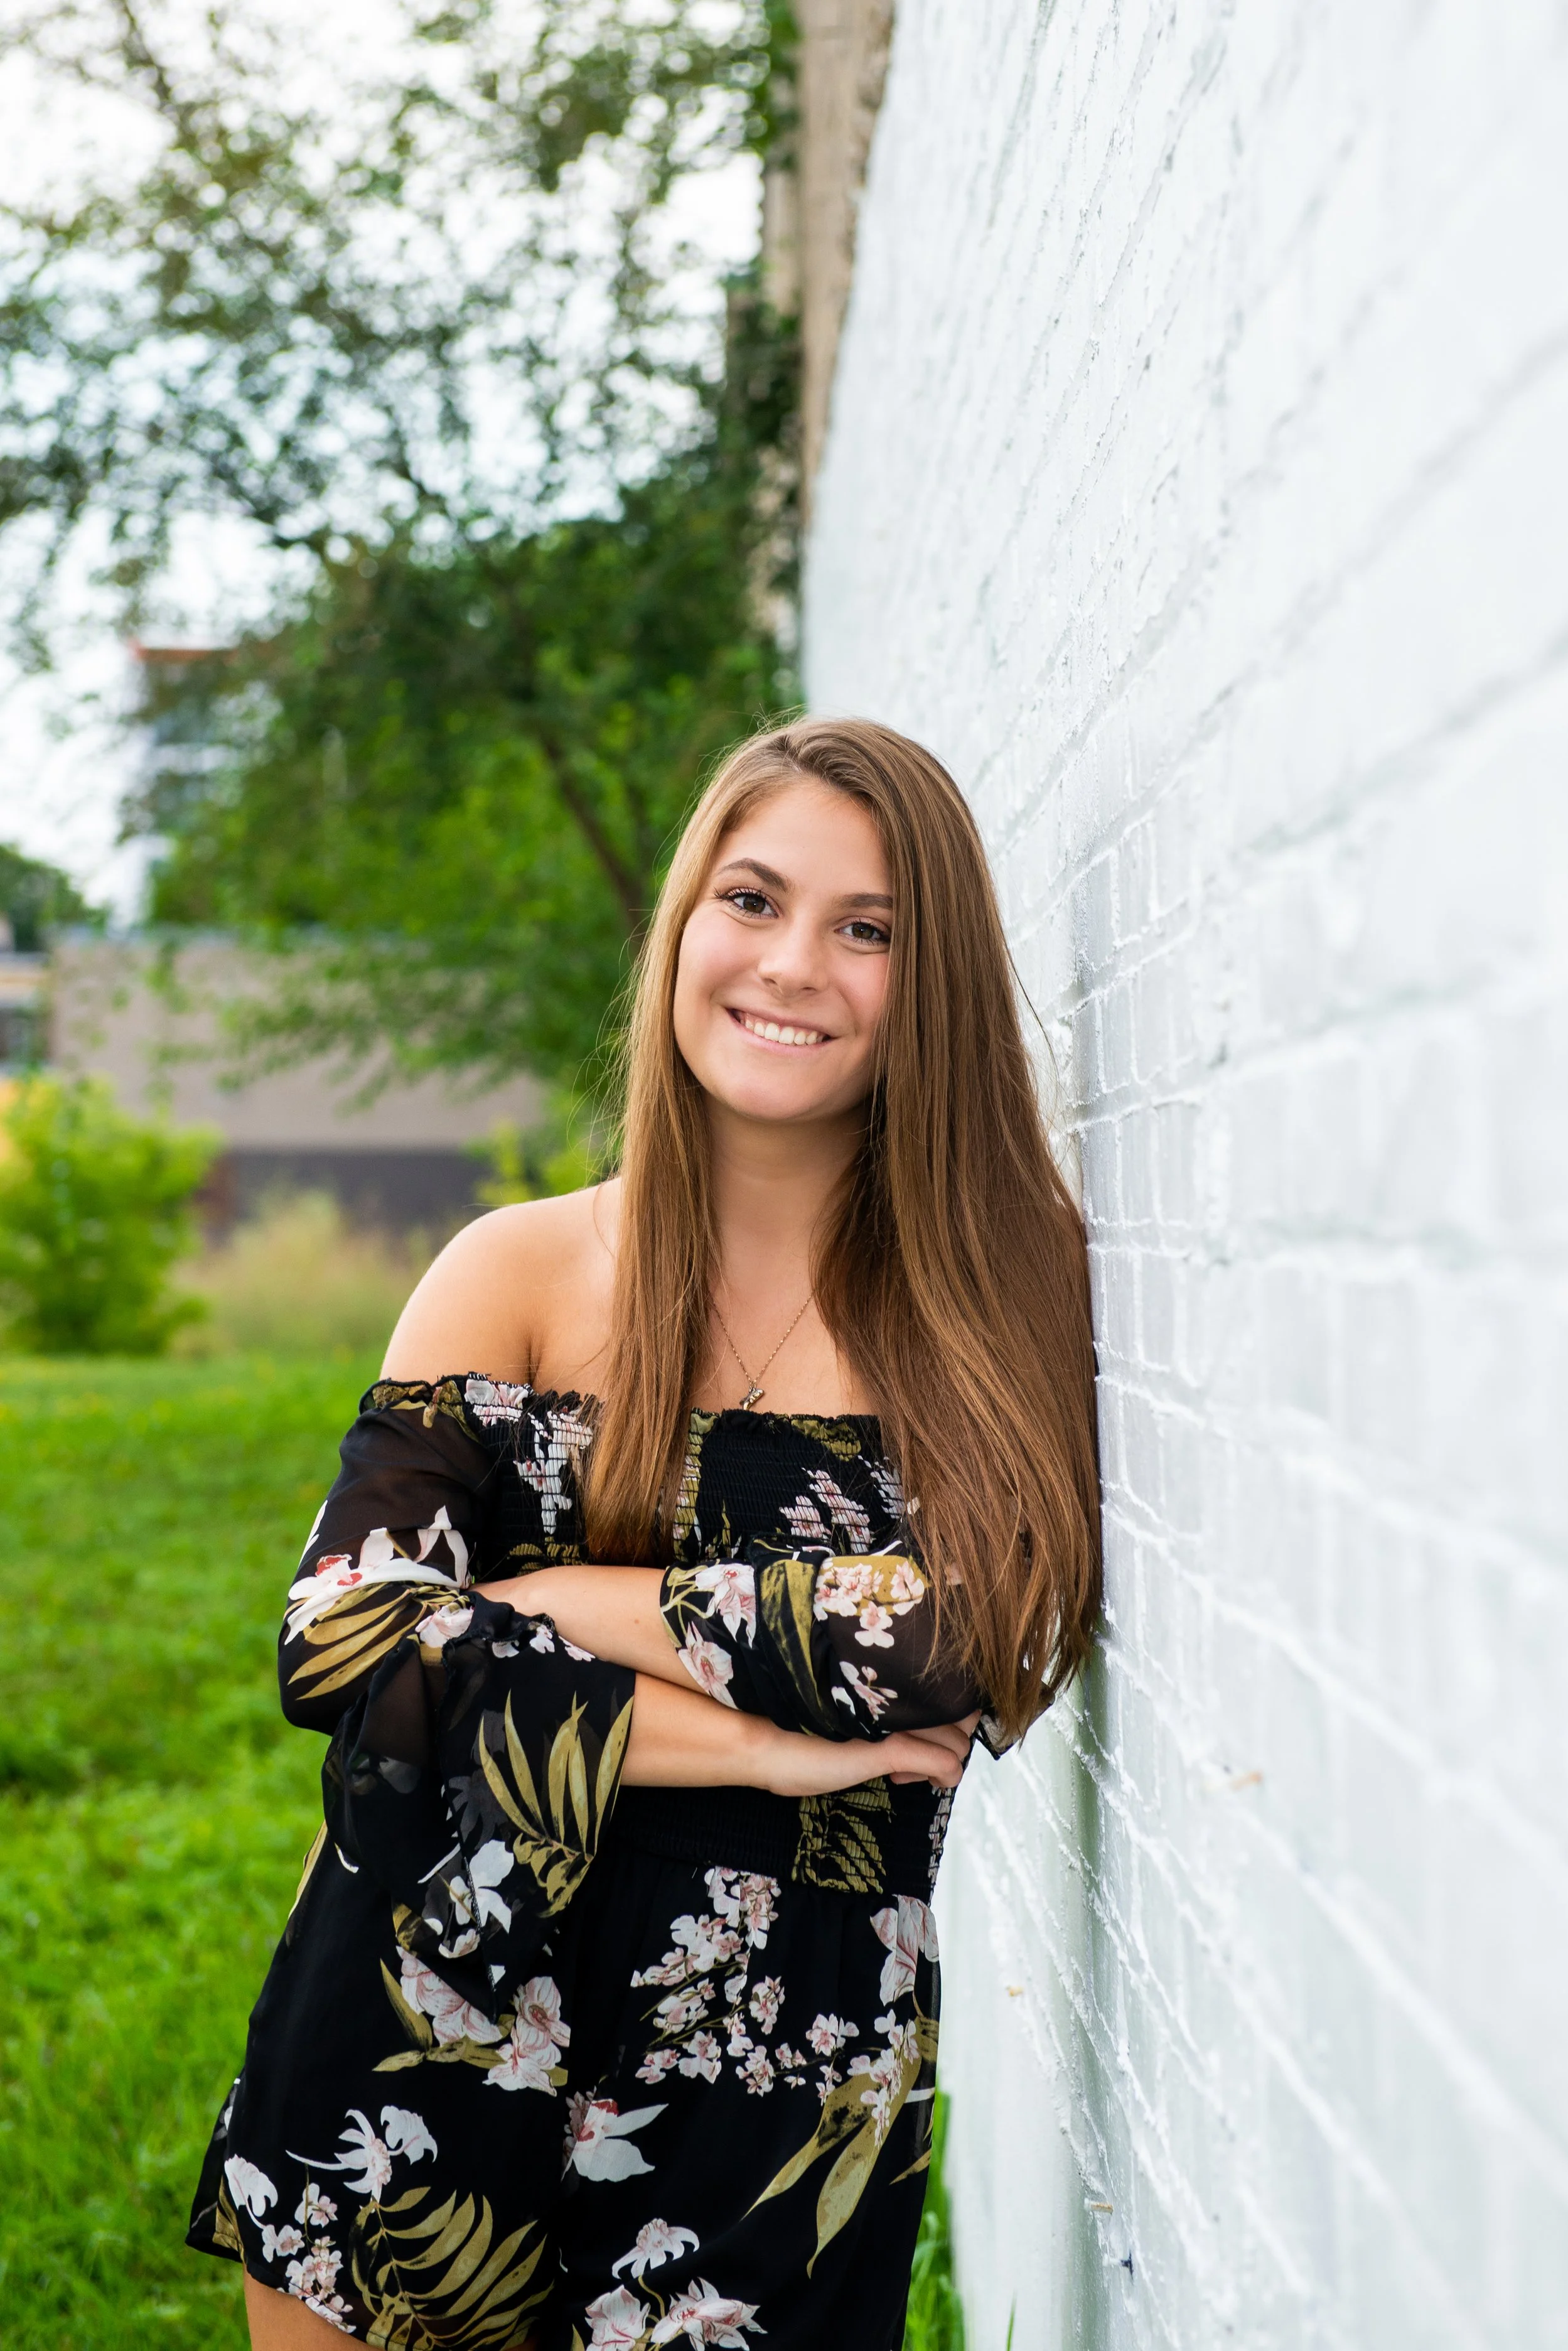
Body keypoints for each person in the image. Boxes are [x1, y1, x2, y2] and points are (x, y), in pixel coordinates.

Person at [187, 718, 1101, 2350]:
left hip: (778, 2071)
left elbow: (949, 1639)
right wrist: (778, 1757)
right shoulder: (521, 1270)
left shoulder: (995, 1284)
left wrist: (545, 1599)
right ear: (682, 923)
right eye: (750, 899)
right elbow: (340, 1644)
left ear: (931, 980)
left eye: (865, 927)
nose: (791, 964)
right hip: (423, 2022)